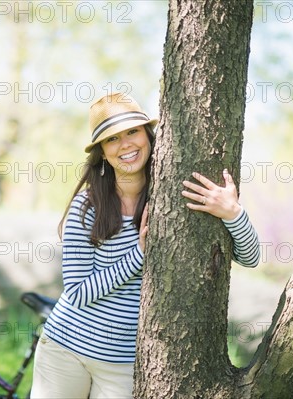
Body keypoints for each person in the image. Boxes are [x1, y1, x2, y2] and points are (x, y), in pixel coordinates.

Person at [30, 92, 260, 399]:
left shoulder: (172, 201)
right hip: (65, 349)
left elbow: (251, 257)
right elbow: (77, 292)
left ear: (148, 135)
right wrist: (139, 254)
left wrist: (233, 213)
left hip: (124, 364)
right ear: (102, 152)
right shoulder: (88, 207)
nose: (125, 145)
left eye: (132, 132)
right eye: (112, 139)